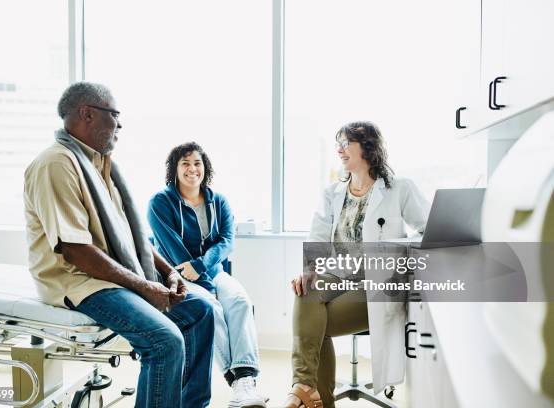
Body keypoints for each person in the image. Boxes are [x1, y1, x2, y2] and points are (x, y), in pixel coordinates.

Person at [23, 82, 214, 408]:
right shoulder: (56, 164)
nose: (120, 124)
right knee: (164, 341)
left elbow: (131, 237)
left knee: (201, 311)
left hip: (110, 275)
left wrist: (168, 273)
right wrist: (143, 286)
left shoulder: (102, 167)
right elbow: (76, 250)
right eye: (114, 115)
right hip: (79, 282)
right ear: (87, 114)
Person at [280, 121, 430, 408]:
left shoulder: (399, 189)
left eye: (346, 143)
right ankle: (305, 386)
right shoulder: (333, 193)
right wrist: (309, 269)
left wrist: (400, 254)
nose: (339, 149)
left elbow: (429, 230)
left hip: (378, 283)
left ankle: (308, 395)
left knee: (314, 327)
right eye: (339, 143)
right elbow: (318, 236)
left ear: (368, 147)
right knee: (306, 290)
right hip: (338, 272)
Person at [148, 142, 267, 408]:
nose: (192, 169)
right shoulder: (160, 203)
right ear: (175, 169)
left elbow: (227, 241)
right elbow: (172, 250)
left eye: (197, 163)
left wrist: (203, 267)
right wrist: (201, 279)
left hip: (212, 272)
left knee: (239, 302)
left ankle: (245, 380)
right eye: (185, 163)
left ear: (206, 168)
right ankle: (233, 378)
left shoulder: (218, 200)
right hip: (177, 277)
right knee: (211, 309)